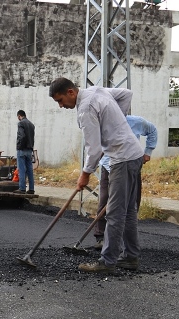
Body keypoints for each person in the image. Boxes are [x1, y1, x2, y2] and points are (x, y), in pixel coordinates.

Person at [49, 77, 144, 273]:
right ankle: (131, 257)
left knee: (115, 213)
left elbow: (94, 148)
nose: (60, 106)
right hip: (134, 154)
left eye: (60, 101)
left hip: (122, 157)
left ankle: (107, 262)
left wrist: (85, 174)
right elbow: (126, 94)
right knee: (128, 211)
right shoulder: (97, 91)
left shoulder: (85, 109)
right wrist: (118, 121)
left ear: (70, 93)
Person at [92, 115, 158, 249]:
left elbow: (152, 130)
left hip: (131, 165)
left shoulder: (135, 122)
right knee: (105, 200)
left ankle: (126, 241)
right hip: (109, 165)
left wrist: (148, 152)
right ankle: (101, 237)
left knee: (132, 203)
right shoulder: (103, 122)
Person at [14, 110, 35, 195]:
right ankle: (31, 189)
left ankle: (22, 188)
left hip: (22, 150)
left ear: (19, 116)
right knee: (30, 170)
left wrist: (19, 146)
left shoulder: (21, 123)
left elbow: (21, 136)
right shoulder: (31, 125)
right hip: (29, 149)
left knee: (21, 169)